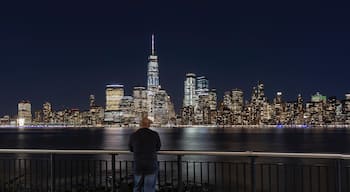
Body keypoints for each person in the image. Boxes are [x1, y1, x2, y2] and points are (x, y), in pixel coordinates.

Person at [129, 117, 161, 192]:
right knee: (149, 188)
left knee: (137, 187)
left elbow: (130, 148)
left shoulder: (134, 135)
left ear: (140, 124)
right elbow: (158, 147)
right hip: (151, 165)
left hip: (138, 165)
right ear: (149, 125)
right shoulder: (154, 134)